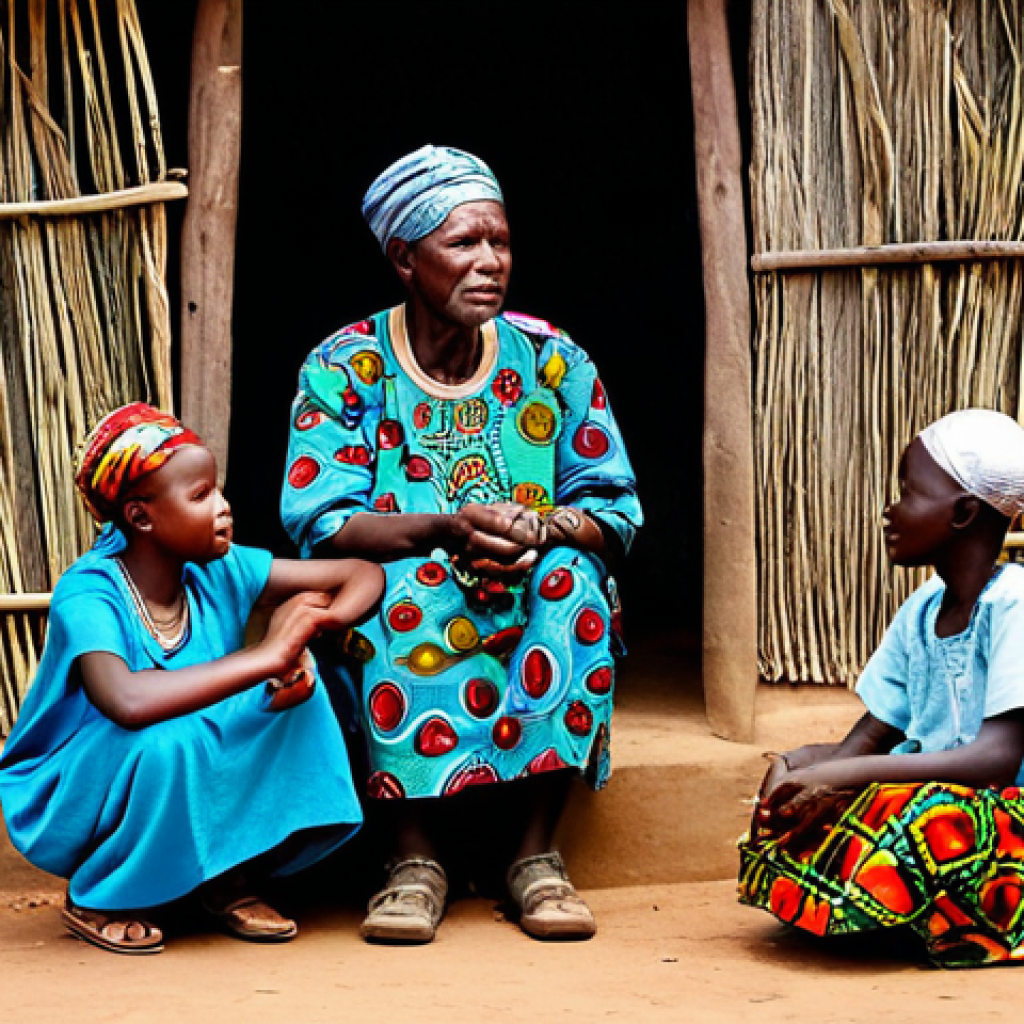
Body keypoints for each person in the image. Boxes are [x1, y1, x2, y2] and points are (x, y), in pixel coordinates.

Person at [281, 144, 641, 943]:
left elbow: (614, 506)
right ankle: (413, 860)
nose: (490, 263)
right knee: (391, 594)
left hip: (527, 583)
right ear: (405, 258)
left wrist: (541, 530)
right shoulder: (346, 367)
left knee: (576, 585)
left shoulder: (553, 359)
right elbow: (322, 519)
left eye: (500, 242)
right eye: (463, 244)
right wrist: (446, 529)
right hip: (407, 594)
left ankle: (533, 860)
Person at [0, 403, 384, 954]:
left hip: (182, 744)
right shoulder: (89, 591)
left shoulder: (218, 567)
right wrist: (268, 655)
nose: (225, 508)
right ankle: (103, 894)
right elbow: (126, 701)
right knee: (169, 742)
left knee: (300, 695)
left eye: (218, 491)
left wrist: (312, 625)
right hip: (75, 782)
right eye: (202, 496)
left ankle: (226, 875)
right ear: (141, 518)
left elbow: (360, 574)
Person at [740, 408, 1024, 968]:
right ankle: (894, 913)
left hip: (1007, 815)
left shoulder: (1014, 603)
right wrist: (805, 775)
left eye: (908, 492)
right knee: (797, 785)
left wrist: (846, 775)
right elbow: (869, 738)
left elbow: (997, 759)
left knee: (923, 815)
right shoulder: (920, 609)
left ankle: (952, 921)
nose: (890, 510)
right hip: (937, 795)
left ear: (964, 512)